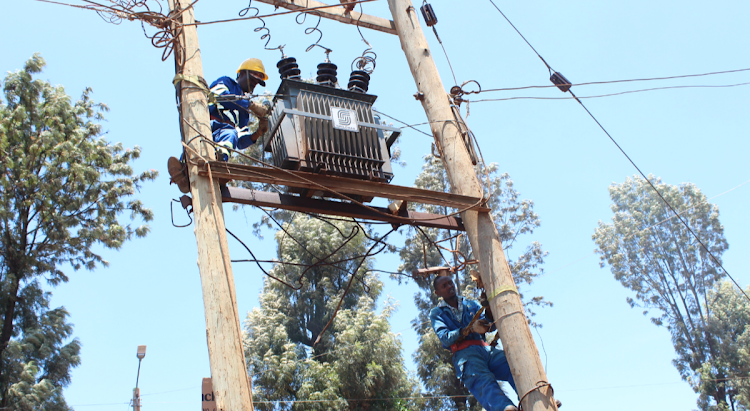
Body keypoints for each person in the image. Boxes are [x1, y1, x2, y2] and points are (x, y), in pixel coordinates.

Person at [168, 58, 273, 193]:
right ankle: (184, 169)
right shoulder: (227, 82)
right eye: (252, 79)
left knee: (230, 134)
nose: (254, 84)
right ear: (240, 74)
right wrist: (251, 105)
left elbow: (240, 141)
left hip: (223, 134)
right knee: (195, 144)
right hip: (207, 124)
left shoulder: (244, 114)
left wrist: (258, 133)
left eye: (257, 82)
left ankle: (220, 162)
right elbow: (220, 96)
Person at [430, 275, 519, 411]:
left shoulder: (470, 304)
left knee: (512, 364)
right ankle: (505, 408)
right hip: (464, 353)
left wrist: (488, 311)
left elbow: (490, 325)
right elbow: (445, 337)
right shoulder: (438, 313)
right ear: (438, 293)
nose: (449, 286)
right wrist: (468, 329)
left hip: (485, 349)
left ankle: (533, 397)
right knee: (483, 379)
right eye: (444, 286)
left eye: (450, 283)